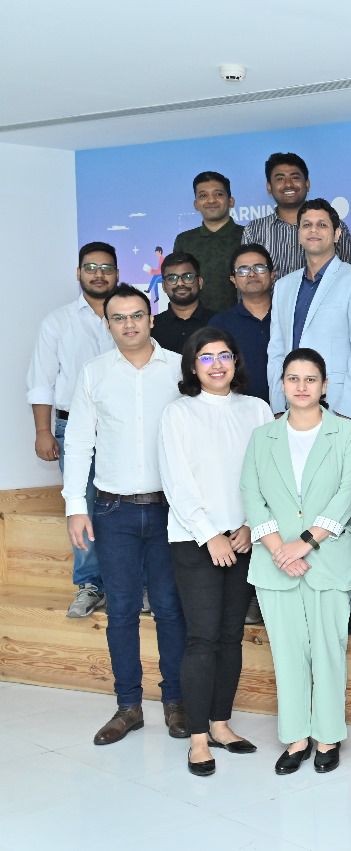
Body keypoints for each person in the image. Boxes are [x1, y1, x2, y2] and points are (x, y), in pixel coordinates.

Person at [62, 283, 188, 745]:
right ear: (107, 324)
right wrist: (75, 507)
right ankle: (128, 707)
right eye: (119, 318)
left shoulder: (179, 368)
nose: (129, 324)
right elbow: (78, 442)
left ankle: (176, 702)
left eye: (137, 315)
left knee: (171, 608)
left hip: (170, 509)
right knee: (120, 610)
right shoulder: (94, 373)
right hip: (112, 509)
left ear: (151, 318)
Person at [240, 348, 351, 775]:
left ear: (324, 385)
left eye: (311, 379)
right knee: (287, 653)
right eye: (293, 378)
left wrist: (305, 542)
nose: (302, 386)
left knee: (328, 650)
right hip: (275, 563)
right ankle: (296, 736)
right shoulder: (263, 436)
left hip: (327, 558)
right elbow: (252, 494)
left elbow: (349, 492)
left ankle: (327, 735)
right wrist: (279, 549)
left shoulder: (347, 433)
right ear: (283, 384)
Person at [157, 327, 272, 776]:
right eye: (206, 357)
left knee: (230, 635)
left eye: (224, 355)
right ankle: (198, 738)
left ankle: (222, 724)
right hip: (194, 539)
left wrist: (250, 526)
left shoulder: (256, 409)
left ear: (236, 361)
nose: (217, 364)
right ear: (192, 366)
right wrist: (210, 534)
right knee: (202, 638)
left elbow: (266, 474)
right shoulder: (178, 413)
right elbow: (177, 482)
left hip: (243, 538)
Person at [27, 242, 114, 617]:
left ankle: (136, 584)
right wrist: (43, 431)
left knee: (131, 505)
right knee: (83, 503)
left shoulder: (130, 317)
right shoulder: (57, 322)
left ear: (117, 273)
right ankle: (91, 584)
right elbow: (41, 381)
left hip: (123, 428)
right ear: (78, 273)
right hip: (72, 425)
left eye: (106, 267)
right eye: (90, 267)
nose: (99, 274)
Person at [266, 197, 351, 422]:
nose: (313, 230)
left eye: (322, 225)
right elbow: (277, 350)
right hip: (292, 410)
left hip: (342, 409)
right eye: (306, 225)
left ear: (337, 234)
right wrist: (278, 406)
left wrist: (345, 411)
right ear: (299, 234)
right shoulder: (284, 286)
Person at [242, 152, 351, 278]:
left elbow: (350, 276)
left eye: (295, 177)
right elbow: (247, 281)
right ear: (269, 187)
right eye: (280, 179)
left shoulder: (335, 226)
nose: (288, 184)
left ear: (307, 184)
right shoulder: (254, 230)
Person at [208, 244, 274, 405]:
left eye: (259, 267)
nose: (251, 274)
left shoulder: (291, 317)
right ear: (234, 280)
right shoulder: (220, 324)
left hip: (292, 411)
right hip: (239, 411)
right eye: (243, 270)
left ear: (273, 275)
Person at [172, 171, 244, 312]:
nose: (211, 200)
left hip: (242, 318)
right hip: (196, 321)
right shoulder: (184, 240)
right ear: (196, 204)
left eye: (218, 194)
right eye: (203, 196)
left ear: (231, 201)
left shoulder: (248, 235)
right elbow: (177, 285)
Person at [151, 252, 214, 354]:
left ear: (200, 282)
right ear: (164, 286)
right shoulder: (151, 327)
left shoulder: (219, 322)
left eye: (188, 277)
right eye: (172, 278)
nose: (180, 283)